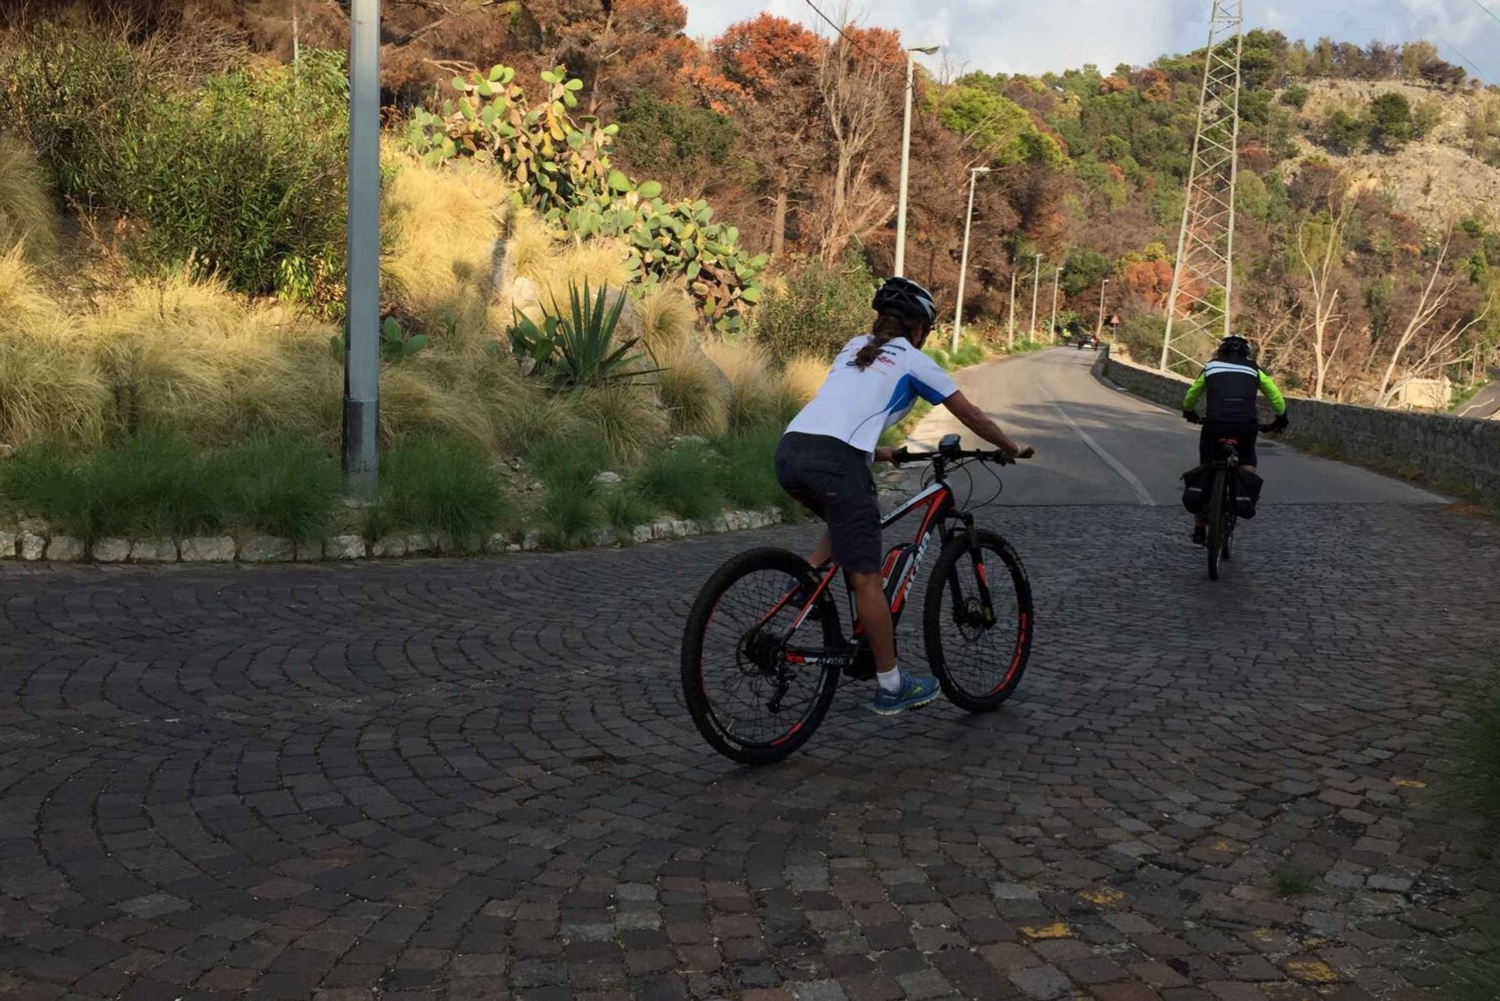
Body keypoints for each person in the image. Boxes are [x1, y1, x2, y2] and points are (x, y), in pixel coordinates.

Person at [775, 277, 1033, 715]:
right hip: (836, 462)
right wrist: (1011, 447)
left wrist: (881, 452)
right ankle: (891, 685)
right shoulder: (914, 360)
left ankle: (806, 584)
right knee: (866, 579)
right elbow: (968, 412)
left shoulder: (853, 346)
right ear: (921, 328)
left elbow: (836, 415)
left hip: (790, 452)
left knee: (856, 514)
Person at [1182, 334, 1288, 545]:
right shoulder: (1254, 370)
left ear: (1221, 352)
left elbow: (1192, 394)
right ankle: (1242, 497)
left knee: (1206, 467)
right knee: (1247, 461)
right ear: (1246, 354)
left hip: (1214, 425)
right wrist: (1280, 418)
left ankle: (1200, 528)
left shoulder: (1211, 367)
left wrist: (1189, 412)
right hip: (1245, 425)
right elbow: (1275, 397)